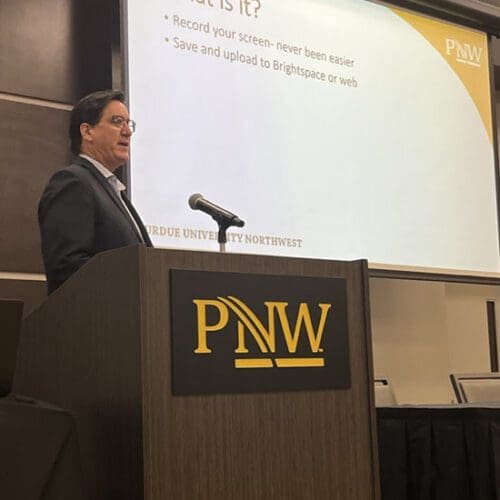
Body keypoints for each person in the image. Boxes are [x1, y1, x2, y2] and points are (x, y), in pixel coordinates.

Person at [38, 90, 153, 294]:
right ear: (87, 132)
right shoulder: (73, 183)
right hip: (97, 320)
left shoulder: (109, 188)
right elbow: (67, 268)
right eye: (117, 121)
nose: (127, 131)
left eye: (129, 123)